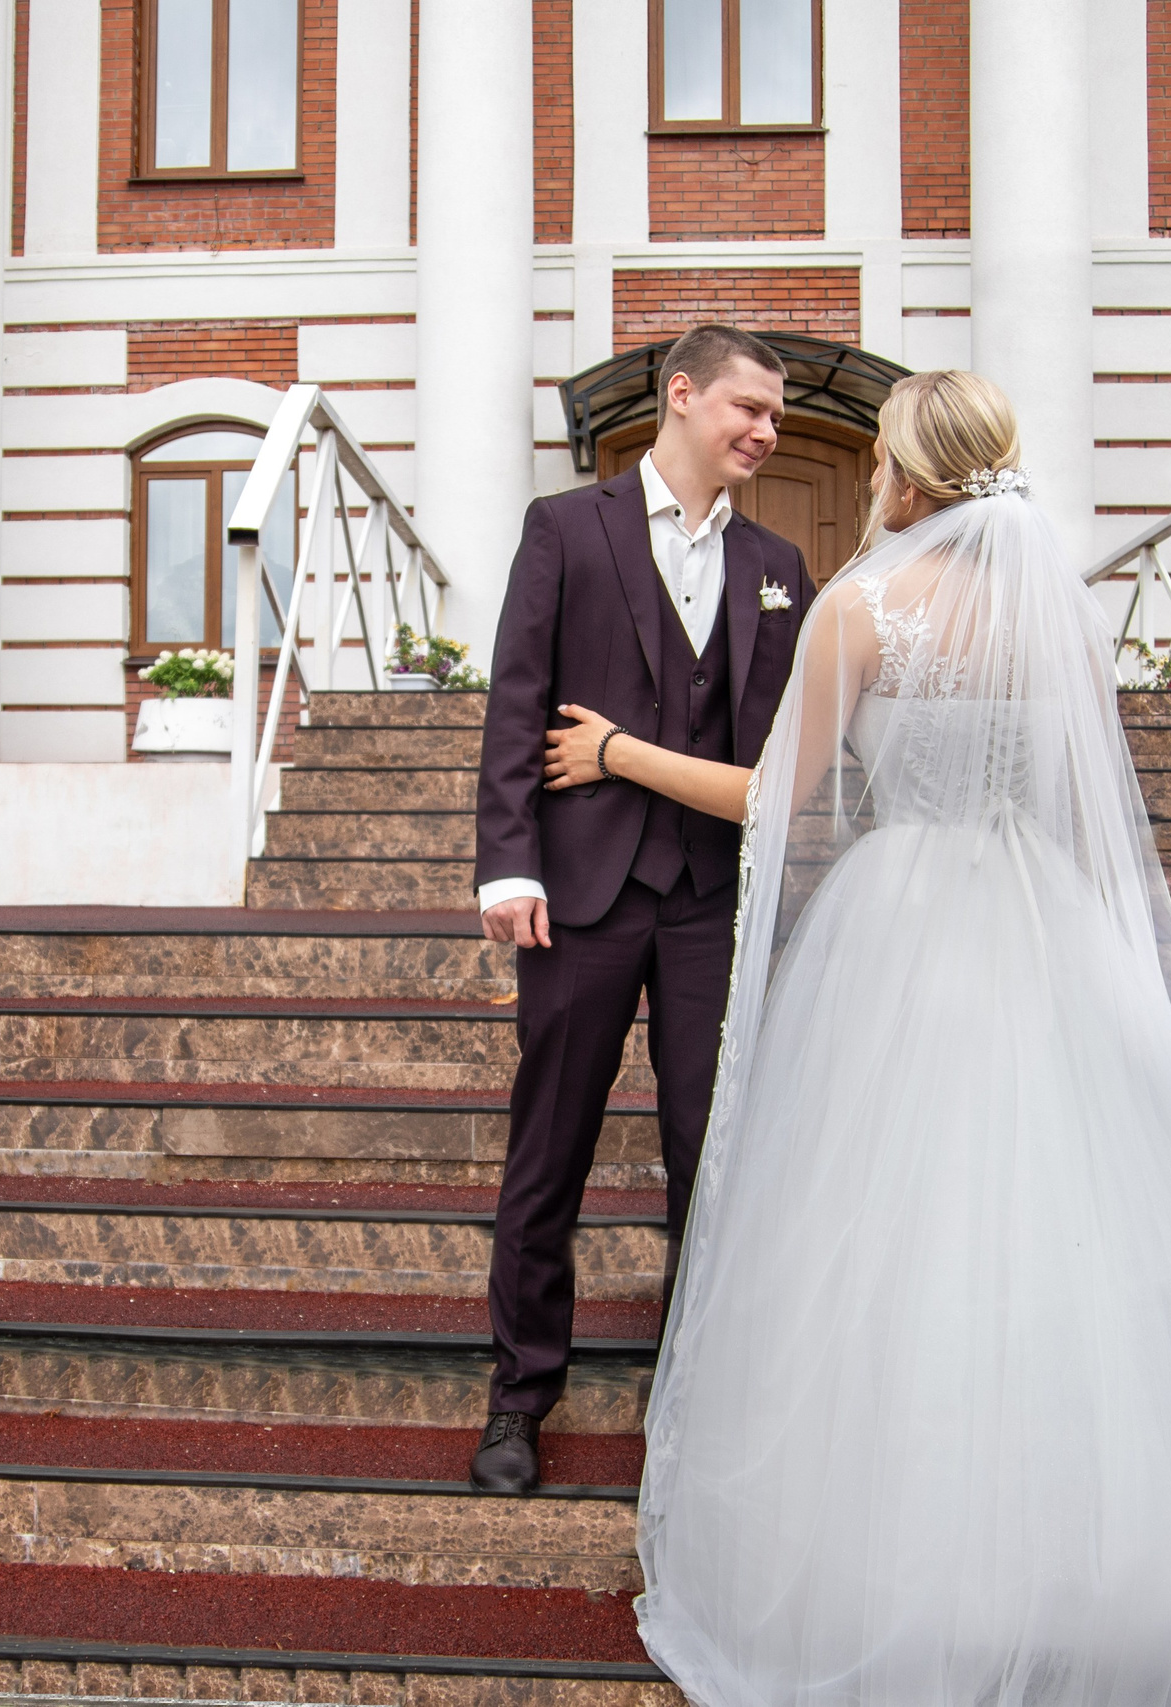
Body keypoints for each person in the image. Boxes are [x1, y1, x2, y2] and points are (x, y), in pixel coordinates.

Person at [546, 371, 1171, 1707]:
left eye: (877, 461)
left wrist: (619, 751)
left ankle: (917, 1587)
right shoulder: (1053, 610)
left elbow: (772, 796)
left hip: (904, 925)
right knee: (1081, 1229)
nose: (870, 480)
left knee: (895, 1236)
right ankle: (1128, 1577)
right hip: (1045, 919)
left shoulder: (862, 608)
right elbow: (1087, 806)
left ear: (909, 477)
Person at [469, 323, 819, 1495]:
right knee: (549, 1149)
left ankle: (692, 1402)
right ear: (681, 395)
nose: (766, 432)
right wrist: (508, 865)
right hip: (579, 895)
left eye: (776, 417)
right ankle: (520, 1398)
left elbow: (770, 746)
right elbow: (517, 698)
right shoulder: (567, 528)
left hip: (710, 898)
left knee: (707, 1157)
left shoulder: (779, 564)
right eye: (749, 408)